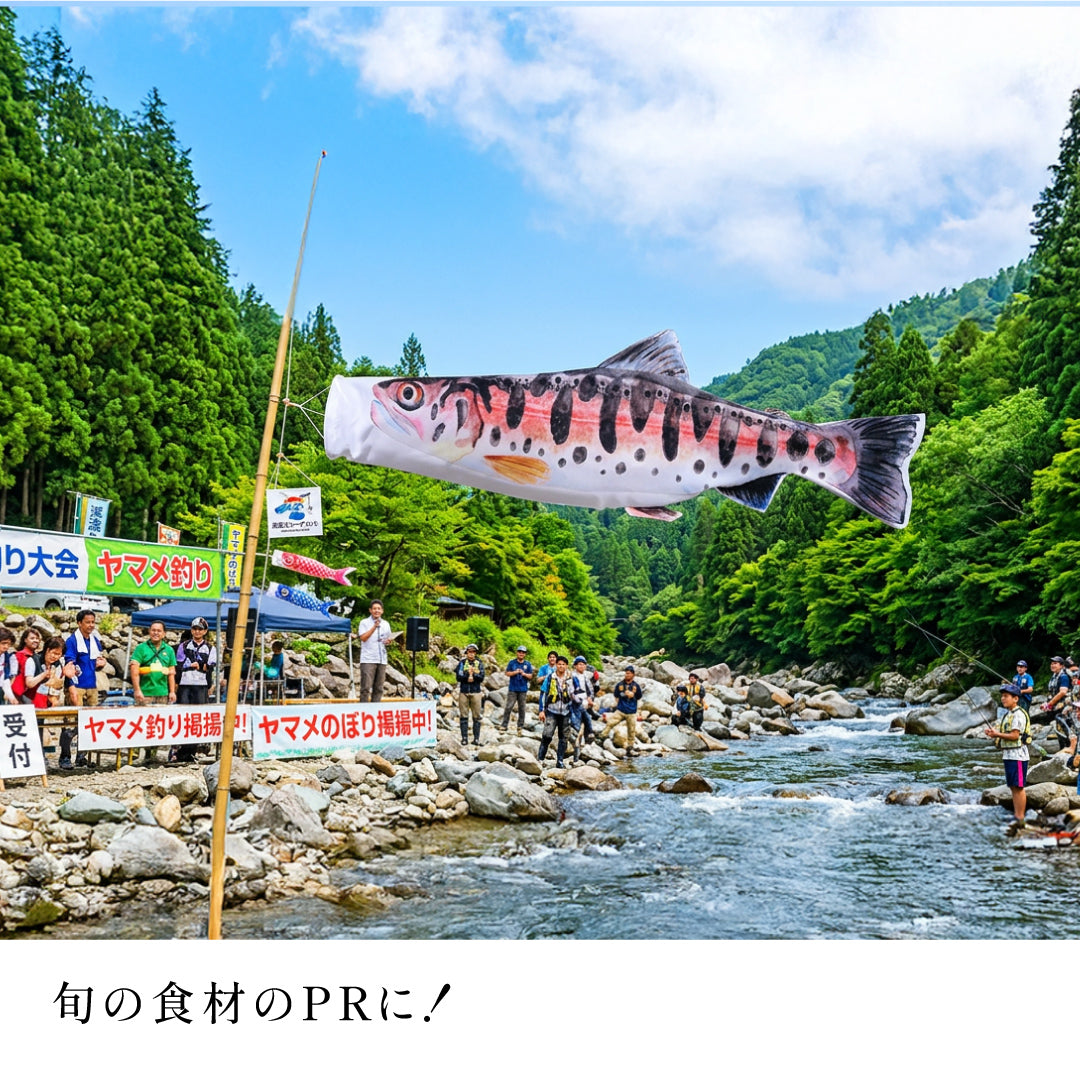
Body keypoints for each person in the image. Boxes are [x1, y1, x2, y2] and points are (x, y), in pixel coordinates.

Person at [62, 609, 106, 767]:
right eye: (87, 622)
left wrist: (101, 664)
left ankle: (82, 755)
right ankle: (65, 757)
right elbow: (69, 665)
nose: (91, 625)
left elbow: (96, 662)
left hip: (91, 685)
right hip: (77, 686)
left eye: (93, 622)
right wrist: (71, 687)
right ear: (79, 623)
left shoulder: (94, 640)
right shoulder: (72, 641)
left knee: (89, 723)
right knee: (71, 722)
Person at [985, 683, 1031, 831]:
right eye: (1002, 696)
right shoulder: (1008, 714)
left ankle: (1020, 818)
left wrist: (996, 734)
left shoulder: (1018, 714)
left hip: (1018, 755)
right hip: (1009, 755)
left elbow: (1015, 735)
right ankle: (1017, 815)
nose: (1003, 699)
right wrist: (995, 733)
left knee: (1018, 787)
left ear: (1015, 698)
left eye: (1006, 696)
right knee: (1013, 786)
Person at [130, 620, 177, 707]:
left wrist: (172, 692)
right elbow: (134, 670)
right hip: (145, 694)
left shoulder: (169, 650)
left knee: (162, 719)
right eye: (153, 630)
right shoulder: (141, 648)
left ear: (164, 633)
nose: (156, 633)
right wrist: (137, 690)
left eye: (159, 631)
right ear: (149, 631)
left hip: (163, 694)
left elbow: (171, 673)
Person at [538, 655, 574, 768]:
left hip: (566, 712)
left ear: (567, 666)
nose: (561, 666)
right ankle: (540, 759)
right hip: (551, 711)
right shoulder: (550, 677)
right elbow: (543, 693)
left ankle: (560, 761)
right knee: (547, 735)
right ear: (556, 665)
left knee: (563, 738)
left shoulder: (572, 679)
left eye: (563, 664)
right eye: (559, 664)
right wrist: (541, 710)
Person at [603, 665, 643, 756]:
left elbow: (639, 697)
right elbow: (616, 696)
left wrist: (633, 695)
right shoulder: (620, 685)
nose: (627, 675)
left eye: (629, 673)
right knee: (610, 723)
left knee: (631, 730)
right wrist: (619, 703)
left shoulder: (636, 686)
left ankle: (630, 747)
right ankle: (602, 737)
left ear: (633, 674)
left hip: (632, 712)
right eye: (626, 673)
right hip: (620, 710)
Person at [357, 600, 392, 703]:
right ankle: (363, 711)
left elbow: (387, 638)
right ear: (370, 610)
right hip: (368, 658)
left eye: (379, 609)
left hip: (382, 659)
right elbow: (363, 637)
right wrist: (374, 627)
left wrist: (388, 641)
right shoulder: (364, 623)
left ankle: (375, 711)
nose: (377, 610)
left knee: (379, 688)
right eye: (374, 608)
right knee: (366, 688)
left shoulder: (386, 624)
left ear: (382, 611)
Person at [456, 644, 485, 746]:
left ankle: (476, 738)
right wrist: (467, 675)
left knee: (476, 716)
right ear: (466, 653)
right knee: (463, 715)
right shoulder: (462, 663)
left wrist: (474, 675)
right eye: (469, 652)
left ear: (475, 653)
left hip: (476, 691)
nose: (471, 654)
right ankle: (464, 738)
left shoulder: (479, 663)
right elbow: (458, 676)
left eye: (473, 652)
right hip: (464, 691)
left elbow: (482, 677)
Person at [501, 645, 533, 733]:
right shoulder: (512, 663)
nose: (521, 654)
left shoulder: (528, 664)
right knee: (508, 707)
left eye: (523, 652)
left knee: (522, 708)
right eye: (520, 652)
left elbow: (530, 676)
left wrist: (524, 674)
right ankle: (504, 725)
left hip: (523, 689)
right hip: (513, 688)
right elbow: (507, 673)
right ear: (517, 652)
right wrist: (515, 672)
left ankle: (520, 727)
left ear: (525, 654)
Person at [1043, 655, 1072, 750]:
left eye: (1055, 663)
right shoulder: (1054, 676)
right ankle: (1063, 749)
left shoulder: (1063, 677)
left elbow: (1063, 692)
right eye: (1051, 663)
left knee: (1065, 729)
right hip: (1057, 707)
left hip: (1065, 707)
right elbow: (1052, 692)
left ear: (1061, 665)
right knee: (1059, 729)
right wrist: (1046, 703)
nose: (1052, 665)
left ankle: (1067, 749)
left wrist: (1049, 704)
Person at [10, 626, 44, 704]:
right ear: (25, 640)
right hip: (18, 694)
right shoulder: (18, 656)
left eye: (37, 638)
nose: (35, 640)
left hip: (33, 695)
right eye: (32, 638)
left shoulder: (38, 657)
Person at [569, 655, 594, 750]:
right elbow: (570, 691)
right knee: (577, 720)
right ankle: (577, 740)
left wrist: (590, 698)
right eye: (579, 664)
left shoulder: (585, 677)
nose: (582, 666)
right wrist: (576, 700)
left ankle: (588, 736)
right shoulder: (572, 676)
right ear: (575, 665)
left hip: (584, 700)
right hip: (575, 701)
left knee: (587, 718)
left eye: (583, 664)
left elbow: (590, 690)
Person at [0, 627, 18, 705]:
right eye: (4, 643)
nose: (6, 647)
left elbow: (5, 677)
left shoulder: (5, 656)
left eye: (8, 644)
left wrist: (11, 696)